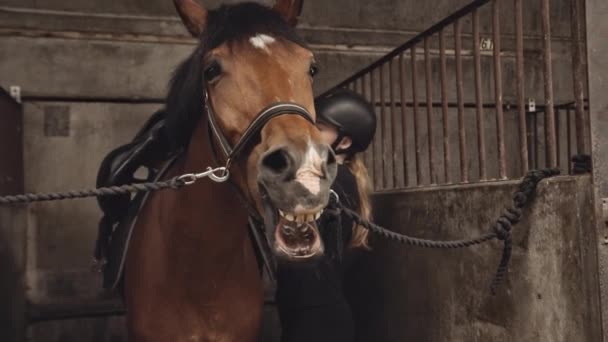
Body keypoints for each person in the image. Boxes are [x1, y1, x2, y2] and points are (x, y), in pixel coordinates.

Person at [275, 88, 376, 342]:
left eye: (318, 128)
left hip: (318, 319)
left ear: (344, 142)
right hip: (305, 312)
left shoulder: (335, 179)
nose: (308, 133)